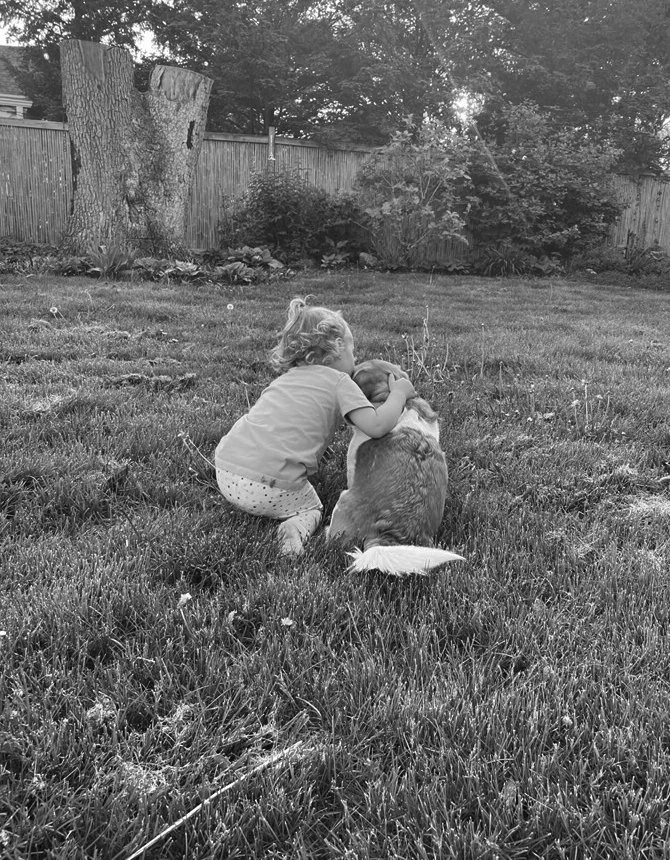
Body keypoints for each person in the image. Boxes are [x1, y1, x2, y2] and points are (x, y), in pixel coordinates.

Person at [215, 296, 417, 555]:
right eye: (352, 352)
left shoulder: (285, 380)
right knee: (313, 508)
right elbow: (377, 426)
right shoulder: (340, 382)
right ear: (339, 347)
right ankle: (293, 531)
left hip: (225, 471)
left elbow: (289, 423)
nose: (354, 361)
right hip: (267, 488)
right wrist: (399, 394)